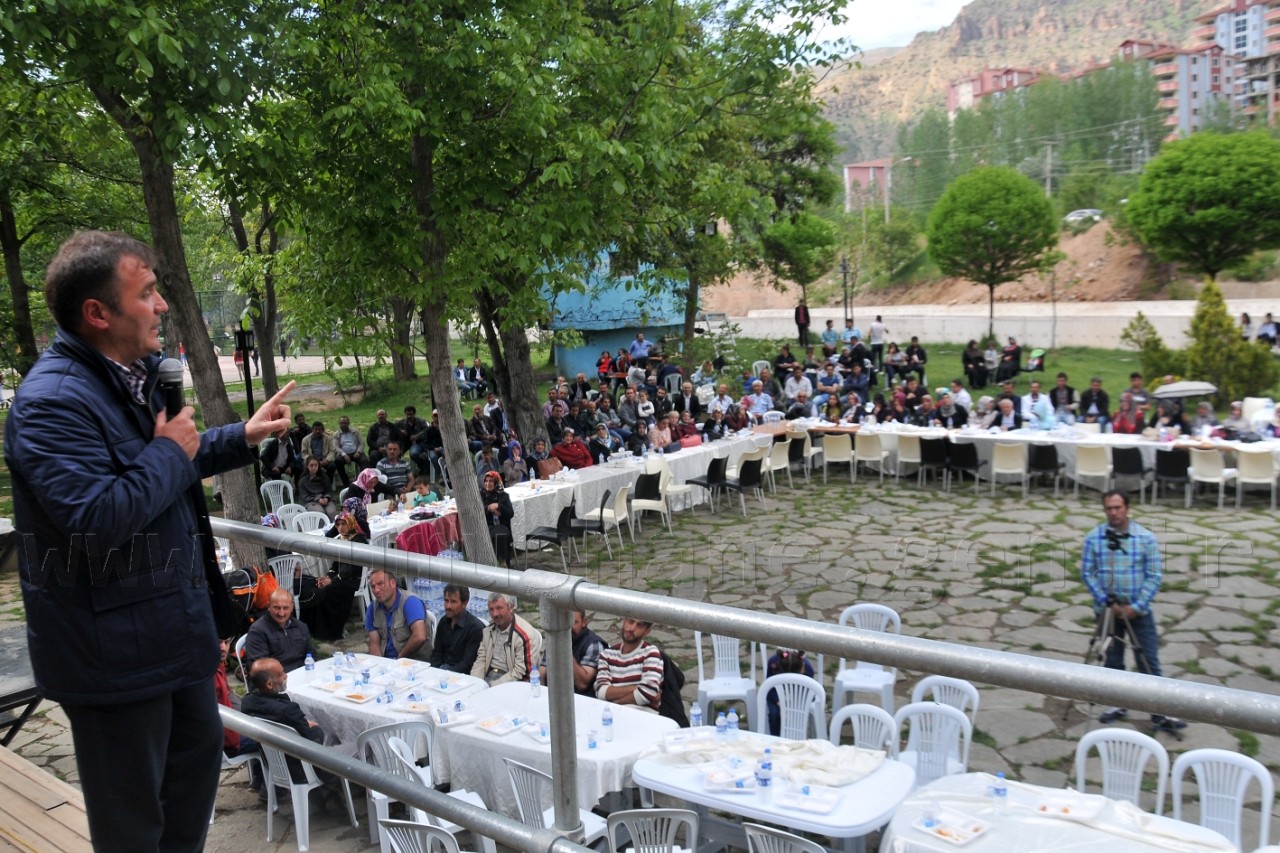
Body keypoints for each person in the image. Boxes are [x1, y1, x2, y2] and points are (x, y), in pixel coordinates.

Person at [4, 231, 299, 851]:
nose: (162, 305)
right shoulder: (50, 403)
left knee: (188, 810)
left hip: (175, 641)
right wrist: (169, 451)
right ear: (98, 312)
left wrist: (238, 436)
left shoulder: (125, 376)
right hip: (114, 662)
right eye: (146, 293)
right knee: (134, 830)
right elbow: (95, 519)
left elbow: (161, 460)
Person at [1081, 491, 1186, 733]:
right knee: (1112, 660)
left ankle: (1159, 713)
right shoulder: (1094, 538)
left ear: (1127, 508)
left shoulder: (1145, 538)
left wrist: (1136, 607)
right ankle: (1118, 704)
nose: (1113, 512)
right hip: (1108, 611)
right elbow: (1087, 573)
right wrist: (1105, 600)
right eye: (1109, 508)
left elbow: (1154, 576)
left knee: (1148, 660)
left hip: (1138, 611)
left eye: (1117, 507)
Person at [305, 510, 367, 640]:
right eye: (338, 525)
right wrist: (328, 576)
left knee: (325, 591)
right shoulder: (343, 539)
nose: (340, 528)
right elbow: (336, 564)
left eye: (344, 524)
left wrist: (332, 581)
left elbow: (351, 570)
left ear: (351, 523)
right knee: (316, 586)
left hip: (352, 580)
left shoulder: (359, 541)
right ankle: (317, 629)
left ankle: (332, 630)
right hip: (342, 578)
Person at [595, 617, 663, 712]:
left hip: (642, 715)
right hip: (612, 715)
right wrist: (636, 688)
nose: (632, 628)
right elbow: (601, 692)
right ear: (624, 621)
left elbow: (647, 693)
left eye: (639, 625)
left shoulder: (650, 652)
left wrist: (616, 703)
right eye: (630, 621)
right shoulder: (607, 654)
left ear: (646, 631)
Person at [472, 594, 542, 685]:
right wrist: (475, 683)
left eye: (499, 608)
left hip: (511, 682)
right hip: (488, 676)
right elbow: (481, 660)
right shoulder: (488, 631)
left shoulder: (525, 635)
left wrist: (492, 686)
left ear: (511, 607)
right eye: (491, 609)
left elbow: (522, 673)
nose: (495, 614)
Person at [364, 568, 432, 661]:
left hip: (414, 661)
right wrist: (380, 664)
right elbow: (374, 644)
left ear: (393, 583)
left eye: (380, 584)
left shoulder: (410, 602)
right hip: (387, 663)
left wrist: (399, 659)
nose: (376, 590)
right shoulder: (372, 608)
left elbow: (420, 636)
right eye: (373, 586)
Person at [245, 588, 315, 674]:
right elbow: (258, 668)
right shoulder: (257, 631)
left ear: (292, 607)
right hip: (274, 679)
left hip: (301, 675)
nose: (281, 613)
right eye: (277, 608)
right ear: (268, 607)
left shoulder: (301, 627)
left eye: (285, 608)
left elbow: (311, 655)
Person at [429, 584, 485, 673]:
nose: (448, 606)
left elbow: (467, 664)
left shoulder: (475, 628)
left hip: (461, 675)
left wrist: (446, 674)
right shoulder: (443, 622)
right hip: (441, 671)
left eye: (453, 602)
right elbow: (437, 654)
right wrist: (434, 672)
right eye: (446, 601)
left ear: (464, 603)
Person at [480, 471, 514, 564]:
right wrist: (489, 508)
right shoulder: (481, 495)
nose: (488, 484)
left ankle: (502, 562)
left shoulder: (504, 496)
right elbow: (477, 510)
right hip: (487, 525)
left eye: (491, 481)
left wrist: (499, 505)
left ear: (496, 482)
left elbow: (510, 514)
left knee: (500, 535)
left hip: (501, 525)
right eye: (486, 481)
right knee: (491, 535)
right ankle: (491, 562)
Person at [332, 415, 368, 486]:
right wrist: (344, 455)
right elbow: (336, 447)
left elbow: (362, 443)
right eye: (342, 423)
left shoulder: (355, 431)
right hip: (344, 454)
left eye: (345, 423)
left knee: (365, 461)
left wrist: (358, 452)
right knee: (338, 461)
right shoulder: (336, 434)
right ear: (339, 424)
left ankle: (362, 482)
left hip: (356, 452)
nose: (343, 425)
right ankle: (346, 483)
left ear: (348, 423)